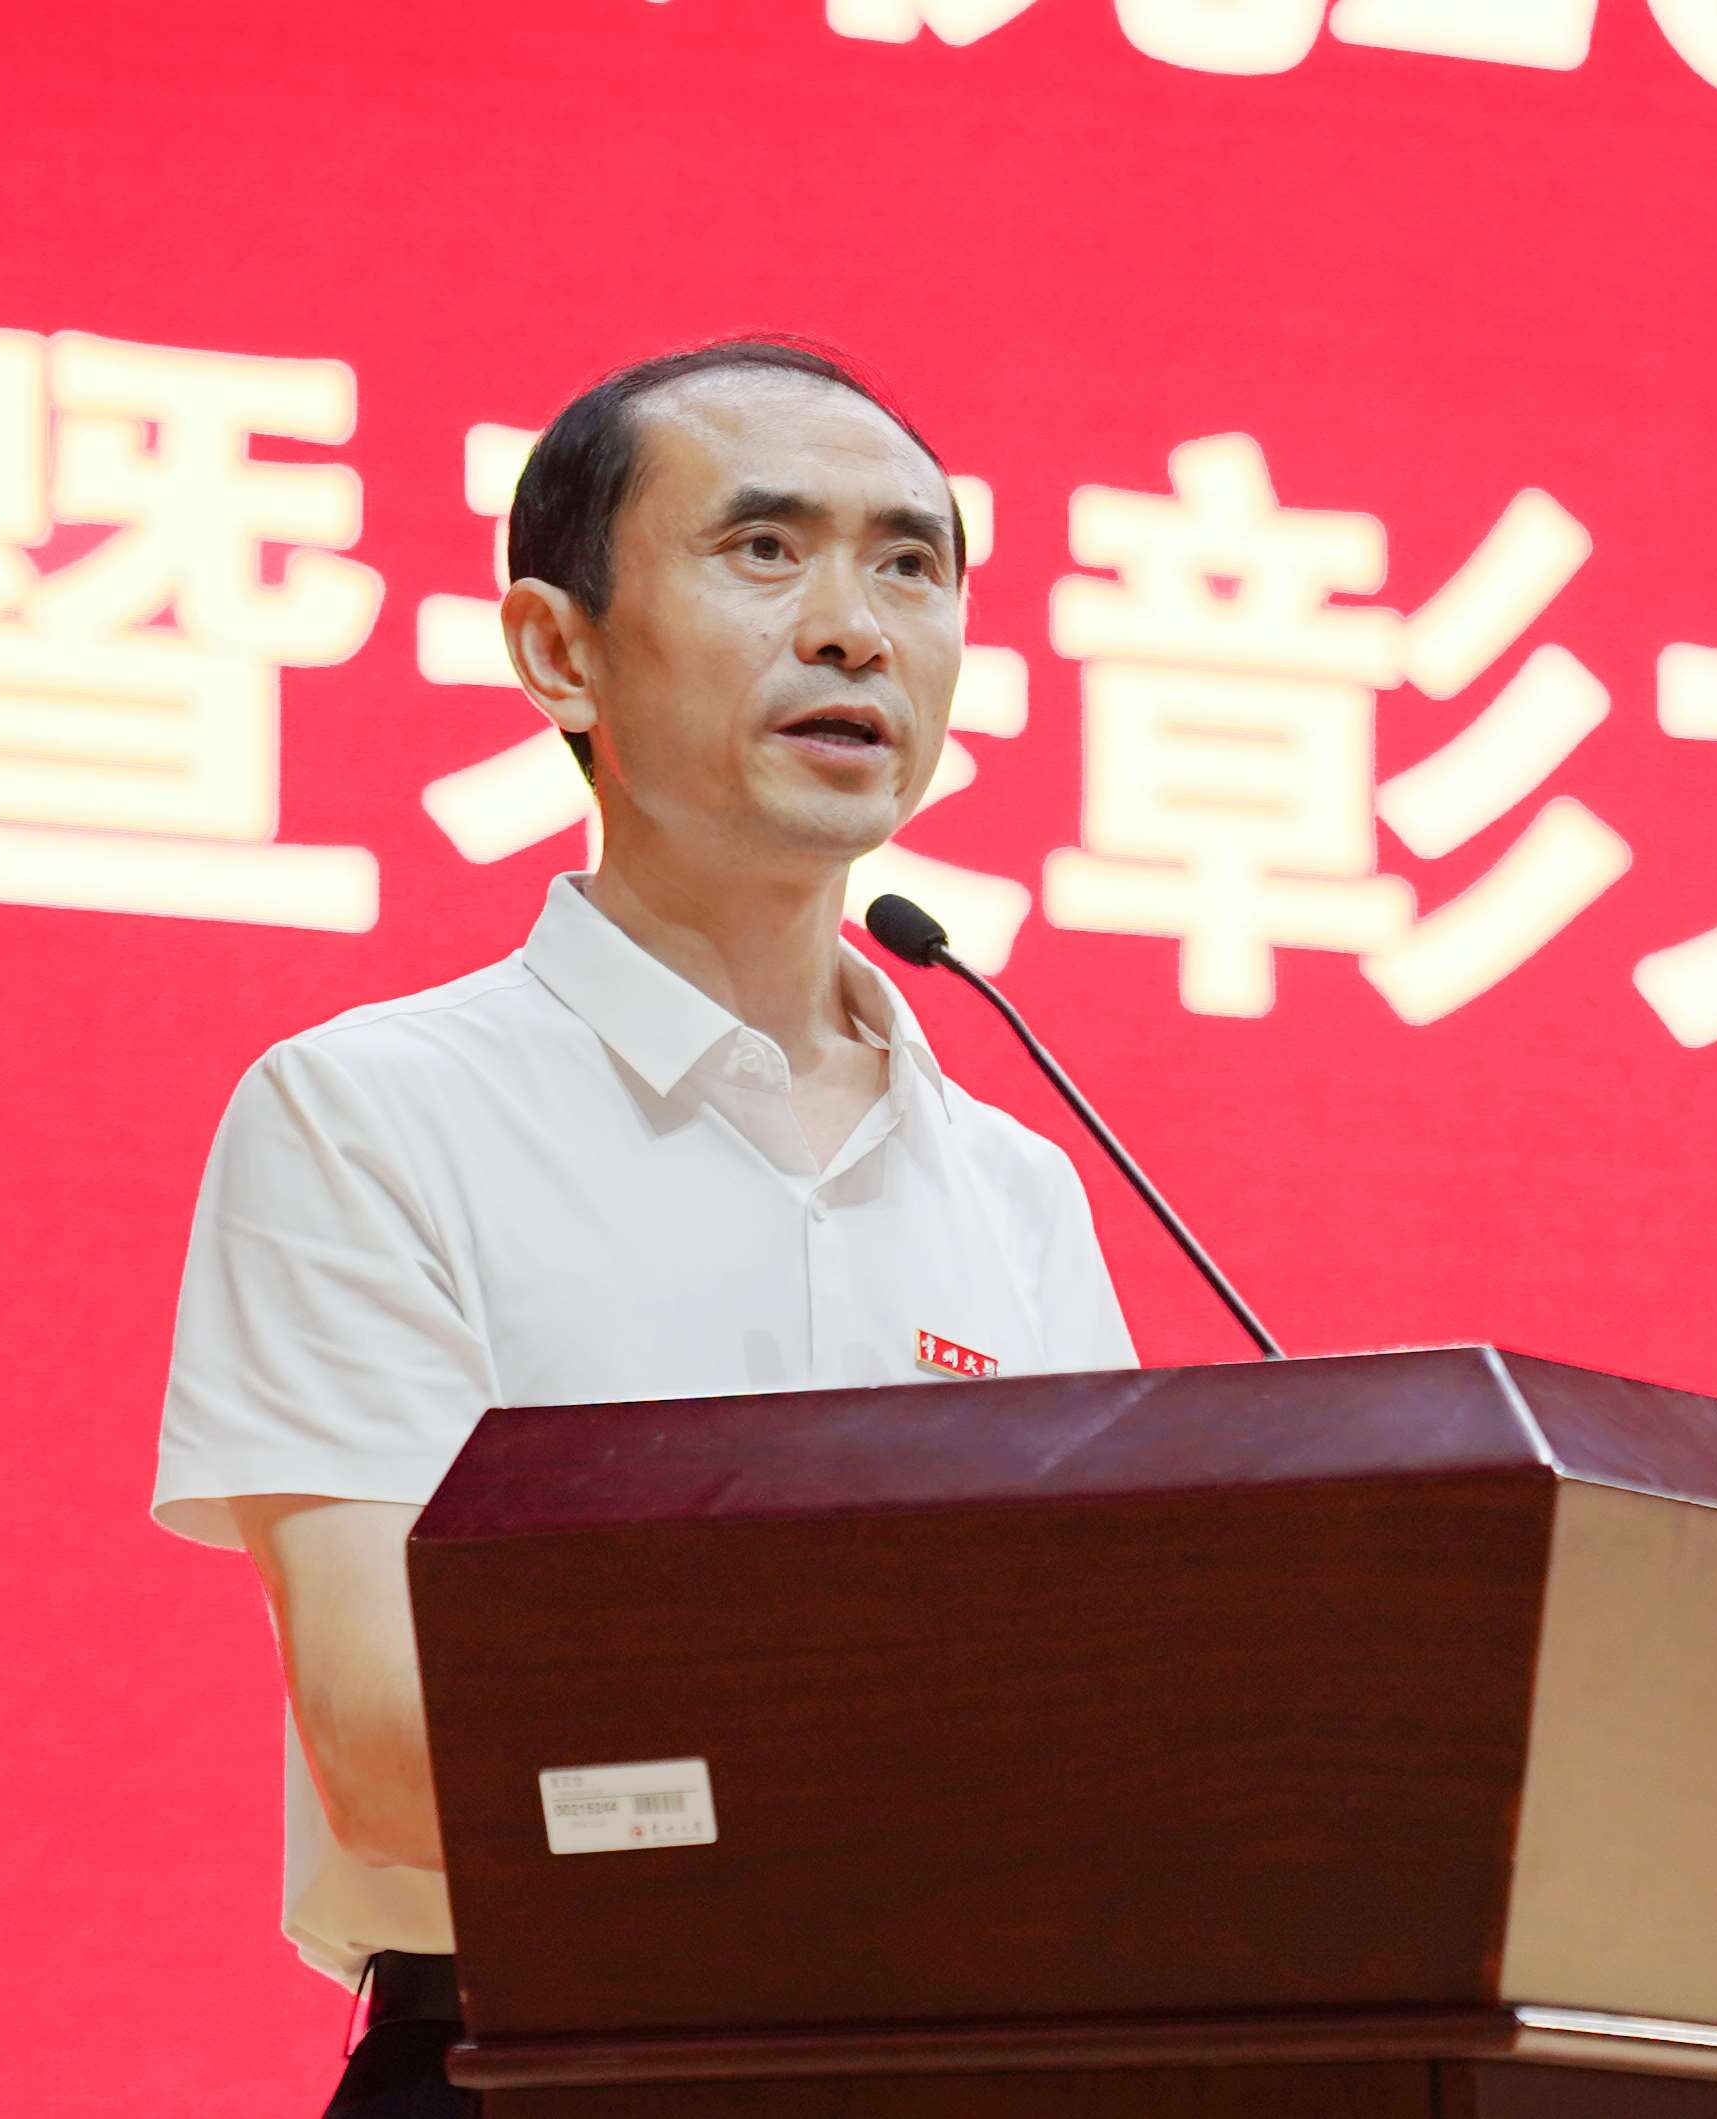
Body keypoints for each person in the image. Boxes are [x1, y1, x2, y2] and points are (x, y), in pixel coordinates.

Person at [148, 338, 1140, 2118]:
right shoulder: (372, 1112)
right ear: (558, 650)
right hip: (534, 2064)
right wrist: (944, 1767)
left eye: (910, 565)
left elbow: (1122, 1725)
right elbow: (396, 1750)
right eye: (765, 550)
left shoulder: (1021, 1190)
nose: (855, 629)